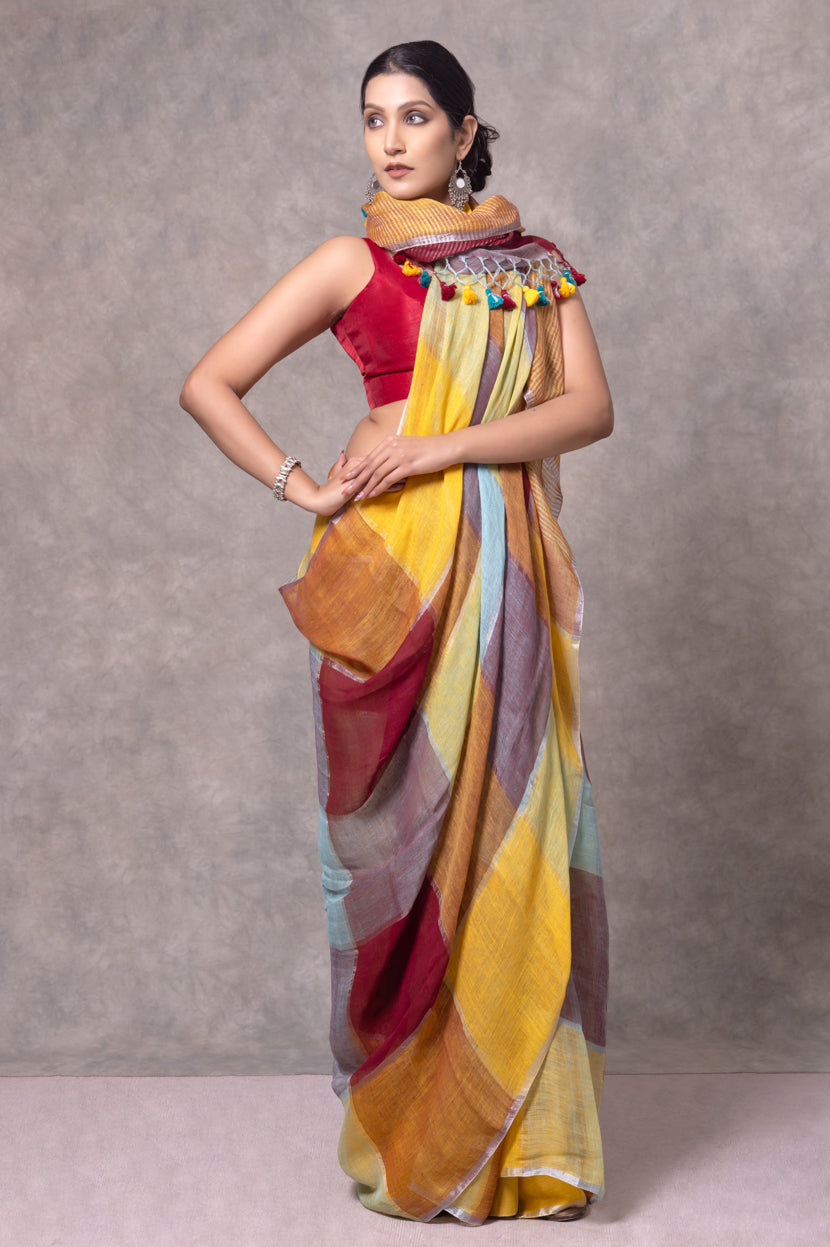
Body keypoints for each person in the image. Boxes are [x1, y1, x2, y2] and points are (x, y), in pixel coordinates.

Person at [180, 39, 612, 1225]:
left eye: (416, 115)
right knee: (394, 850)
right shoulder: (345, 260)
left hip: (501, 572)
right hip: (388, 581)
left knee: (506, 838)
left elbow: (589, 408)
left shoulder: (532, 270)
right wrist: (302, 485)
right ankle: (415, 1134)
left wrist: (438, 444)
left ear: (466, 133)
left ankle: (524, 1150)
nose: (390, 137)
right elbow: (210, 382)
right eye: (373, 116)